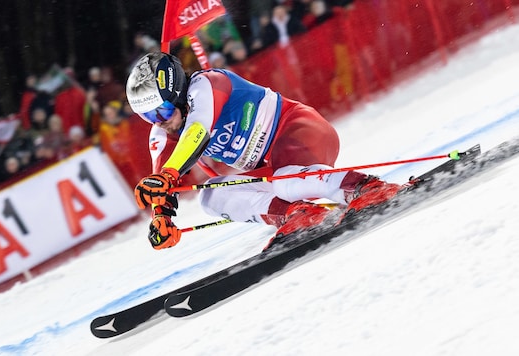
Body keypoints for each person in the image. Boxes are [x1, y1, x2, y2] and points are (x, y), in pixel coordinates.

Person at [125, 52, 401, 250]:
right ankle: (298, 215)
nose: (159, 121)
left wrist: (169, 174)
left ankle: (367, 188)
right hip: (273, 167)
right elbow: (160, 184)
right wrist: (161, 218)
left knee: (286, 181)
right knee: (210, 196)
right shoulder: (163, 131)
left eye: (161, 109)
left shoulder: (207, 84)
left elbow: (198, 131)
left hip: (301, 131)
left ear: (177, 93)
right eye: (147, 116)